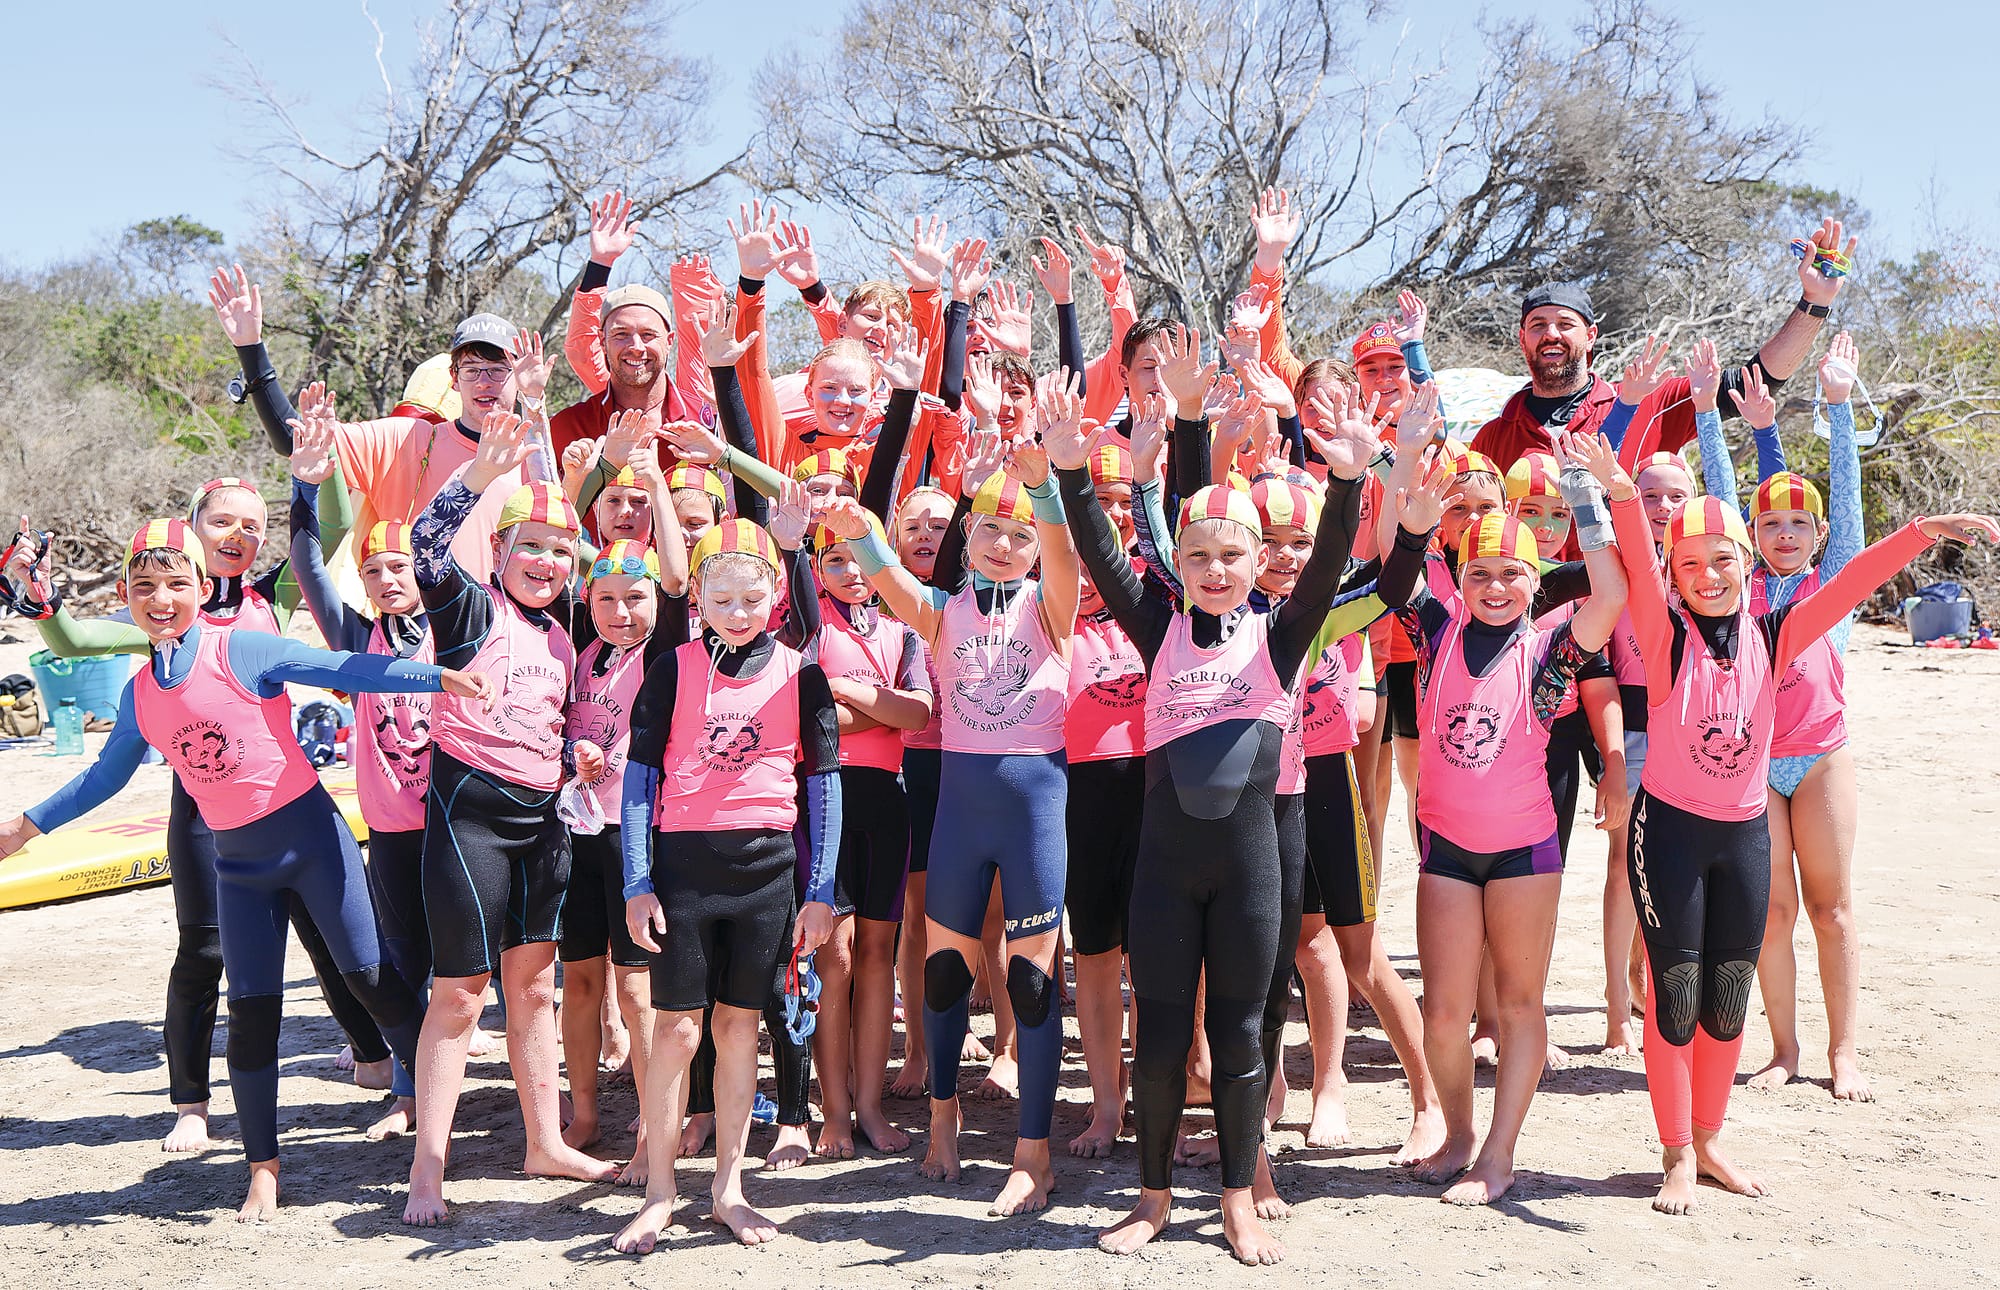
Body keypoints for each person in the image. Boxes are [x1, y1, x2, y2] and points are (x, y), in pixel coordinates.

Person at [0, 519, 490, 1220]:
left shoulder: (242, 649)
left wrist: (435, 677)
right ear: (124, 596)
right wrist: (26, 825)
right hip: (239, 866)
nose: (160, 599)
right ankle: (264, 1169)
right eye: (144, 588)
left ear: (203, 589)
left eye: (176, 585)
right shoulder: (140, 693)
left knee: (374, 984)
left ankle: (430, 1118)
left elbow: (342, 669)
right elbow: (104, 778)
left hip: (313, 842)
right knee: (252, 1016)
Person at [1599, 424, 1998, 1213]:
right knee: (1677, 991)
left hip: (1743, 835)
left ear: (1747, 566)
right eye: (1690, 565)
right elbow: (1636, 568)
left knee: (1726, 997)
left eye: (1722, 561)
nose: (1708, 576)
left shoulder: (1776, 633)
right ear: (1673, 576)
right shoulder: (1663, 633)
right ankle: (1675, 1153)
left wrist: (1916, 534)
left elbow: (1847, 587)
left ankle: (1710, 1140)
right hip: (1670, 833)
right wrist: (1617, 493)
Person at [1049, 326, 1378, 1264]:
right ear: (1182, 564)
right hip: (1166, 867)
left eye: (1234, 557)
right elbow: (1107, 557)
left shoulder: (1280, 639)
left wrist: (1349, 481)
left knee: (1239, 1033)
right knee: (1159, 1038)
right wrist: (1074, 471)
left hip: (1250, 869)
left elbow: (1322, 568)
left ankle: (1237, 1193)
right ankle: (1152, 1198)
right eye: (1201, 557)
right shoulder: (1156, 631)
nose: (1220, 570)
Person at [5, 467, 397, 1149]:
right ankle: (190, 1102)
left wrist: (316, 471)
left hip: (282, 798)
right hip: (201, 810)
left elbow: (326, 529)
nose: (240, 534)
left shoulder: (268, 595)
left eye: (253, 523)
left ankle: (372, 1054)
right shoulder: (164, 607)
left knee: (328, 937)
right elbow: (76, 645)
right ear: (192, 530)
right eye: (223, 521)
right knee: (202, 952)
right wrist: (42, 603)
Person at [817, 375, 1082, 1218]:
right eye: (990, 532)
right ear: (969, 543)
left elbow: (1068, 552)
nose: (1004, 545)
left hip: (1036, 804)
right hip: (960, 812)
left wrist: (1042, 485)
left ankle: (1031, 1155)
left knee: (1033, 986)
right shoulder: (941, 610)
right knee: (938, 978)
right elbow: (886, 570)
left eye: (1018, 534)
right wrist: (858, 528)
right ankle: (942, 1121)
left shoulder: (1054, 608)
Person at [1383, 438, 1630, 1206]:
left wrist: (1588, 493)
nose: (1495, 587)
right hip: (1447, 851)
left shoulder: (1552, 647)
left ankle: (1498, 1154)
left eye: (1512, 575)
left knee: (1521, 1004)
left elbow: (1614, 591)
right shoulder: (1436, 631)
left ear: (1536, 582)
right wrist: (1416, 515)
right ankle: (1457, 1132)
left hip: (1525, 851)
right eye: (1481, 573)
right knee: (1448, 1012)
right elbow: (1395, 579)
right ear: (1460, 579)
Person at [401, 413, 621, 1225]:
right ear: (500, 553)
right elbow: (426, 546)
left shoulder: (562, 639)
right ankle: (428, 1168)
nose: (544, 562)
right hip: (471, 823)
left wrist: (579, 761)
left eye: (560, 552)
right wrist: (470, 481)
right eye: (530, 546)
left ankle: (544, 1143)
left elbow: (553, 730)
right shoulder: (467, 612)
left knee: (534, 989)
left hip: (544, 827)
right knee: (461, 994)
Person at [613, 519, 841, 1251]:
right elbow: (638, 781)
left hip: (767, 871)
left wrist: (821, 888)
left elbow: (826, 786)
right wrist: (637, 880)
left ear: (775, 594)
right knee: (676, 1028)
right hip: (683, 871)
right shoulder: (673, 667)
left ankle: (729, 1189)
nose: (738, 613)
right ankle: (657, 1191)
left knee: (741, 1027)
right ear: (700, 599)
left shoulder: (802, 671)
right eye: (722, 598)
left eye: (752, 598)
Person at [1690, 334, 1875, 1100]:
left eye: (1800, 525)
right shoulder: (1741, 590)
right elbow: (1726, 498)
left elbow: (1847, 499)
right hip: (1758, 765)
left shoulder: (1833, 585)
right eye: (1771, 526)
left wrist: (1836, 404)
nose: (1786, 534)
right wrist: (1707, 413)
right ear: (1751, 538)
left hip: (1823, 759)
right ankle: (1784, 1049)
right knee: (1771, 915)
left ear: (1821, 537)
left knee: (1830, 911)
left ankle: (1844, 1053)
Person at [286, 413, 441, 1142]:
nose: (385, 580)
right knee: (406, 960)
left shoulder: (458, 625)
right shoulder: (354, 642)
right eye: (374, 570)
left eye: (399, 567)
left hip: (462, 822)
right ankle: (408, 1094)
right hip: (395, 826)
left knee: (498, 966)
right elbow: (309, 566)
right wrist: (304, 484)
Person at [208, 263, 550, 581]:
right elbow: (292, 439)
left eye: (498, 370)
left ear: (518, 377)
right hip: (413, 637)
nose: (484, 382)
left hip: (504, 638)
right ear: (453, 379)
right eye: (472, 370)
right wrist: (251, 349)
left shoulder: (533, 459)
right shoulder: (408, 441)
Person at [1468, 219, 1858, 470]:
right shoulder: (1493, 437)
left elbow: (1760, 380)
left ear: (1590, 337)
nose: (1551, 334)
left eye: (1565, 323)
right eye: (1538, 325)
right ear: (1523, 339)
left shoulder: (1650, 404)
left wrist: (1815, 302)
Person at [559, 433, 690, 1176]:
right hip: (576, 834)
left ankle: (650, 1124)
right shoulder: (579, 642)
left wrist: (655, 488)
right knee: (579, 979)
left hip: (640, 836)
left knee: (637, 986)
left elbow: (673, 576)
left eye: (631, 598)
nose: (619, 610)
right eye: (605, 598)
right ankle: (583, 1113)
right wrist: (586, 477)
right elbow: (570, 544)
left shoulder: (665, 648)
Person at [801, 511, 934, 1158]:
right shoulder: (806, 628)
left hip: (886, 800)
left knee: (880, 956)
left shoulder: (903, 634)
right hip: (824, 798)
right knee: (838, 956)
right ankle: (832, 1112)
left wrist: (851, 691)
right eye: (835, 562)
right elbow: (805, 714)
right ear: (817, 570)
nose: (852, 573)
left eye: (861, 558)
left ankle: (872, 1106)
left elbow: (918, 713)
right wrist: (878, 711)